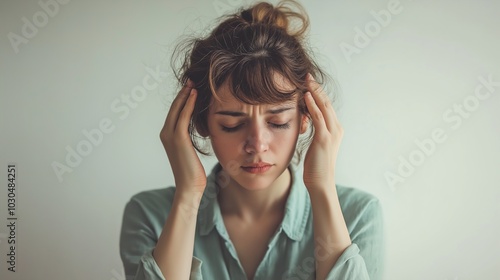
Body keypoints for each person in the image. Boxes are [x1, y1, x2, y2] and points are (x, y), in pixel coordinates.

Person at [119, 1, 384, 279]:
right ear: (201, 122)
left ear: (307, 118)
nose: (257, 145)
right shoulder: (149, 215)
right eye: (232, 124)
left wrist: (322, 188)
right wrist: (188, 196)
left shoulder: (359, 215)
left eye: (277, 122)